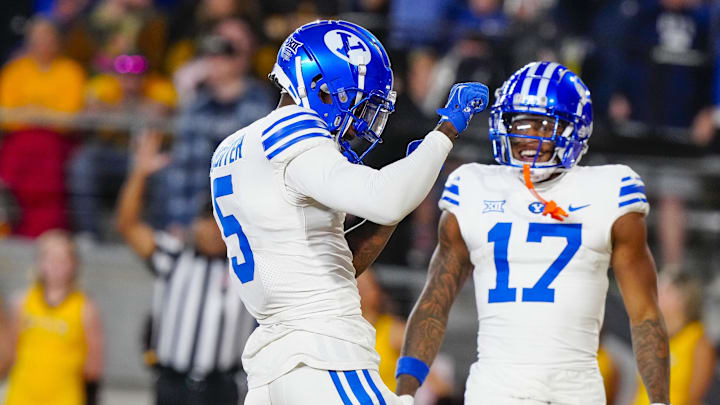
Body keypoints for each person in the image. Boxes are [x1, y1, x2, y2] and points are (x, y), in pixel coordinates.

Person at [209, 19, 488, 405]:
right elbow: (386, 197)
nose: (362, 122)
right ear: (324, 89)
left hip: (274, 365)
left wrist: (404, 188)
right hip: (324, 351)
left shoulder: (232, 149)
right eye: (360, 103)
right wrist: (444, 132)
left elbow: (342, 258)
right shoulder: (293, 131)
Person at [396, 61, 670, 405]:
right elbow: (435, 301)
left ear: (575, 128)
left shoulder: (610, 190)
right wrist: (405, 394)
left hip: (576, 390)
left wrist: (659, 400)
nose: (527, 136)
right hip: (495, 389)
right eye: (519, 122)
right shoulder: (473, 186)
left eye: (542, 125)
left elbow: (644, 314)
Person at [115, 131, 256, 405]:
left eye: (221, 222)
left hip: (222, 387)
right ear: (196, 222)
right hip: (172, 384)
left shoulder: (247, 264)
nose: (214, 230)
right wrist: (140, 173)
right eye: (208, 220)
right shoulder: (174, 255)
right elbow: (128, 225)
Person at [2, 229, 103, 405]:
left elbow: (93, 366)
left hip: (65, 397)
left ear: (74, 264)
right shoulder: (22, 301)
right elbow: (8, 352)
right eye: (49, 259)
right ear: (39, 263)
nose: (56, 265)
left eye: (62, 260)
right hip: (22, 395)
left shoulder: (85, 307)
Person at [632, 272, 716, 405]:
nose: (654, 293)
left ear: (683, 297)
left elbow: (693, 398)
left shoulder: (698, 341)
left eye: (664, 289)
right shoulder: (654, 337)